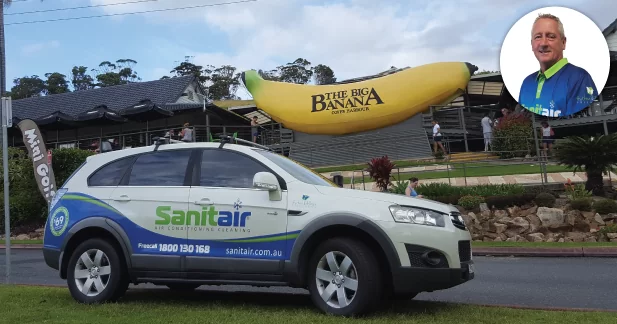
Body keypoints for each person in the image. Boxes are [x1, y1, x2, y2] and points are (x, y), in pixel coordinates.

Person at [518, 13, 597, 117]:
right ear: (532, 44)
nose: (543, 43)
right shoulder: (526, 83)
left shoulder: (579, 78)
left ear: (563, 43)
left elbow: (579, 123)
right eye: (538, 37)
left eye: (551, 37)